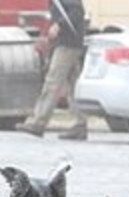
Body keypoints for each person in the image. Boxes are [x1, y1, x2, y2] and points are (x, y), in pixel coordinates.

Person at [16, 0, 90, 140]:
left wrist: (58, 25)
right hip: (70, 42)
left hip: (67, 44)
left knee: (52, 82)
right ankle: (80, 125)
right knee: (73, 86)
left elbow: (76, 12)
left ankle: (38, 122)